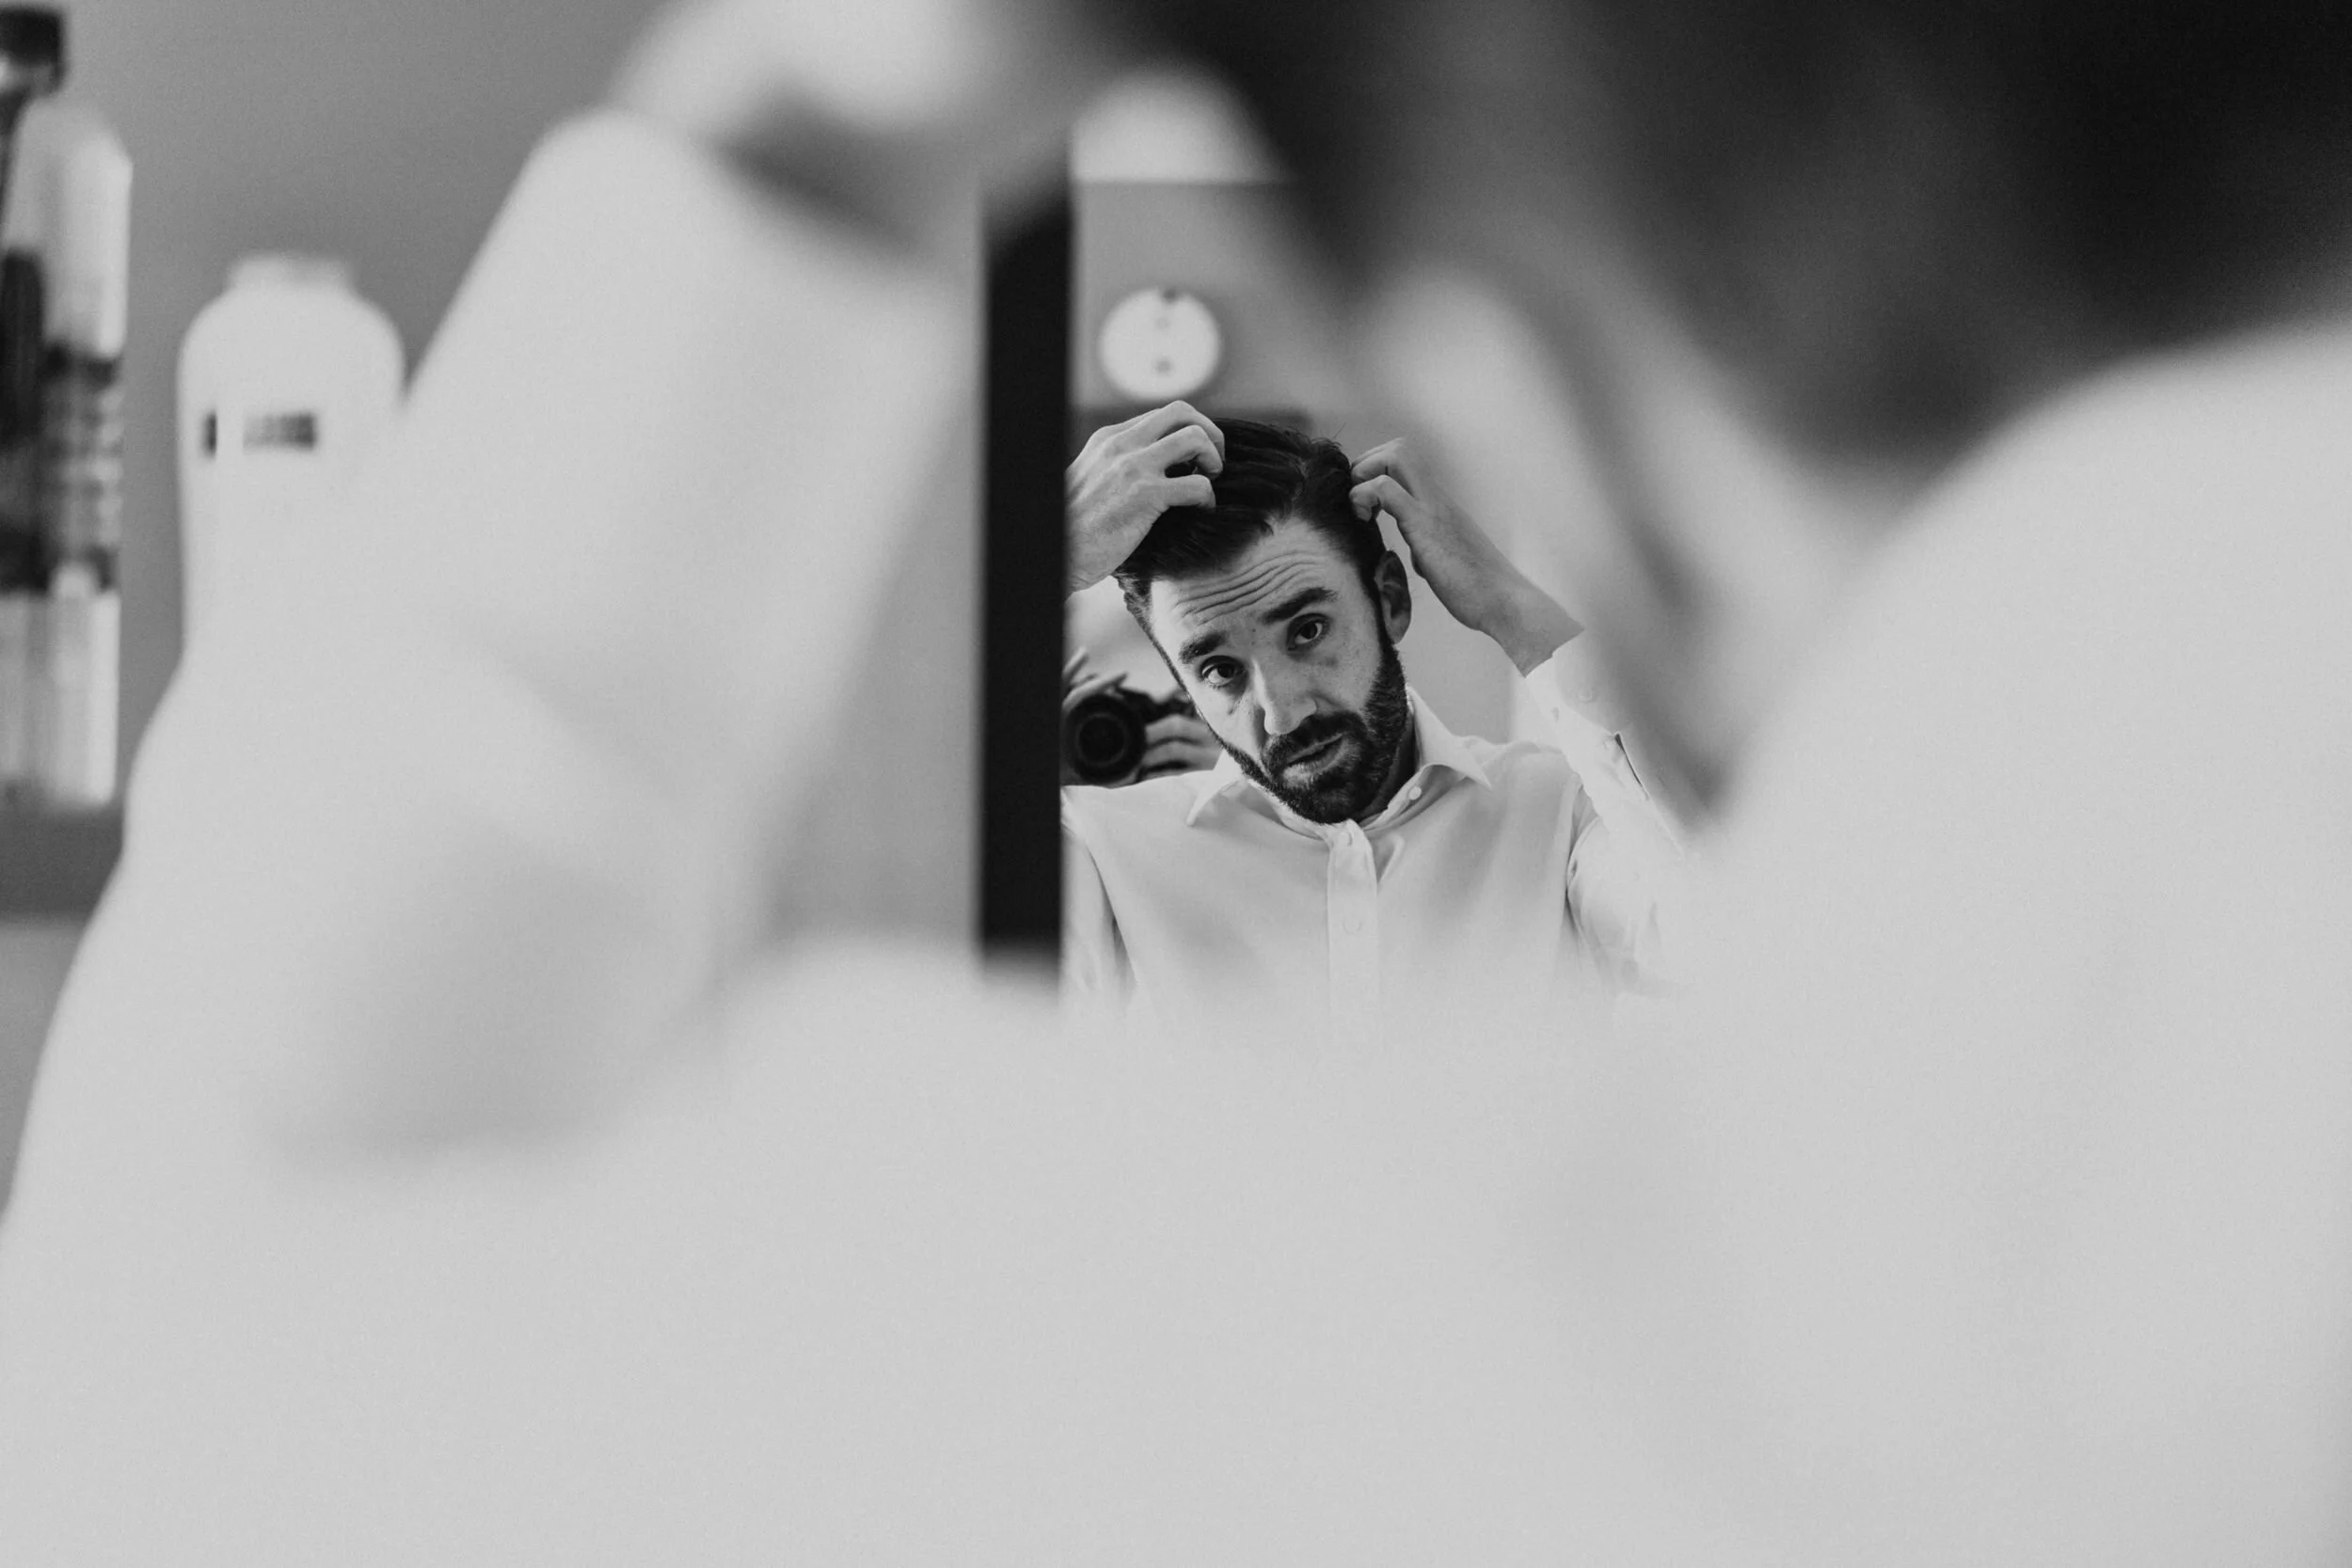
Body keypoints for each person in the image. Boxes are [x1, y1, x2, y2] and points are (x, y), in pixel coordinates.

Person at [1, 0, 2349, 1561]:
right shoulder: (1148, 904)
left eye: (1308, 629)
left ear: (1523, 446)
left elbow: (169, 1409)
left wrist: (796, 145)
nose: (1264, 701)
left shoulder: (1422, 1303)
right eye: (1214, 666)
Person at [1060, 410, 1679, 1032]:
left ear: (1390, 599)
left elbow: (1731, 947)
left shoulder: (1562, 809)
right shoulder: (1101, 854)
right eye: (1220, 669)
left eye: (1306, 631)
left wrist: (1512, 610)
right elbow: (967, 1028)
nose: (1283, 712)